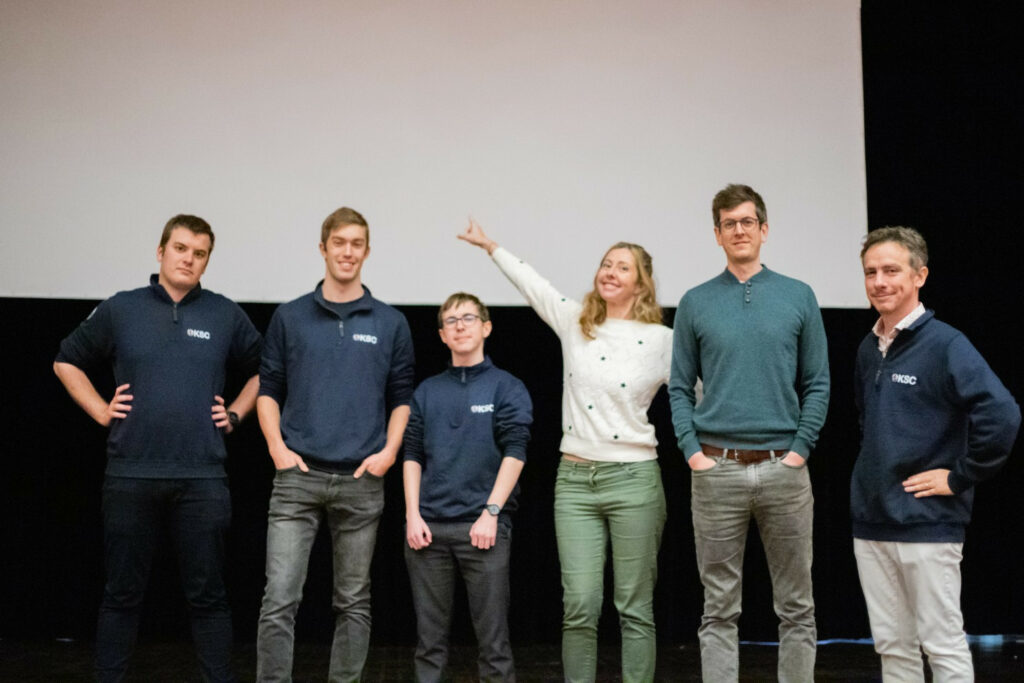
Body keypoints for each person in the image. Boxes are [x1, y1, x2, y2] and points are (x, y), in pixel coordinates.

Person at [459, 219, 671, 683]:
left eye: (622, 267)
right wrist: (492, 246)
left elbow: (700, 394)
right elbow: (535, 285)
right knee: (579, 606)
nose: (610, 272)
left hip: (634, 479)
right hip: (575, 482)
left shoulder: (663, 342)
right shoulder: (578, 322)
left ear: (641, 283)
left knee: (634, 607)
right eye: (605, 263)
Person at [53, 214, 262, 683]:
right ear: (161, 251)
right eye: (181, 248)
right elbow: (66, 360)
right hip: (130, 474)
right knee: (121, 594)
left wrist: (235, 413)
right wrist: (101, 410)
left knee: (209, 596)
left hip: (203, 478)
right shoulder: (121, 309)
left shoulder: (224, 313)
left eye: (200, 253)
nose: (189, 259)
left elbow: (265, 370)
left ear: (207, 260)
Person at [669, 184, 830, 682]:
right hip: (716, 470)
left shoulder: (799, 295)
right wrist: (693, 453)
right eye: (728, 224)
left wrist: (800, 451)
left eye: (747, 221)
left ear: (764, 229)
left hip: (785, 470)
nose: (739, 230)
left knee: (797, 607)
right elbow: (678, 388)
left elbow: (818, 383)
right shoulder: (695, 302)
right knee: (718, 609)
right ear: (716, 235)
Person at [851, 226, 1020, 682]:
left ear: (919, 275)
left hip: (928, 522)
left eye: (891, 270)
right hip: (872, 522)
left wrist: (960, 475)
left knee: (941, 643)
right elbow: (871, 425)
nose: (880, 282)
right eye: (871, 272)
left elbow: (1002, 414)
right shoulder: (869, 349)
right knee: (892, 646)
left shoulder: (946, 344)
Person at [255, 206, 415, 682]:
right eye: (339, 242)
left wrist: (388, 454)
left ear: (367, 251)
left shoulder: (389, 322)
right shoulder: (290, 317)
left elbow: (402, 398)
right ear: (322, 248)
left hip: (361, 482)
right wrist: (277, 450)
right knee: (280, 597)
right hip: (296, 479)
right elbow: (268, 390)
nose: (348, 252)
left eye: (357, 244)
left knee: (353, 601)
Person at [403, 292, 533, 682]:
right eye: (451, 321)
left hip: (485, 530)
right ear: (442, 335)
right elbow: (412, 454)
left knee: (493, 645)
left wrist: (491, 513)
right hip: (428, 532)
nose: (460, 326)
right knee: (429, 644)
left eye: (469, 318)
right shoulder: (427, 391)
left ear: (486, 327)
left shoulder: (506, 387)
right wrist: (412, 515)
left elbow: (516, 451)